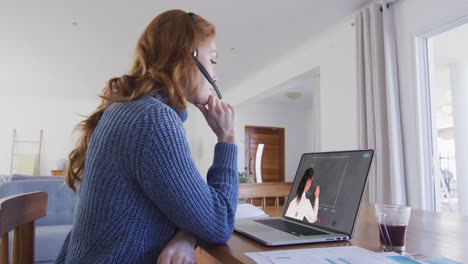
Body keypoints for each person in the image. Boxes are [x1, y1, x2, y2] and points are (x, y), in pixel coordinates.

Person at [56, 9, 238, 264]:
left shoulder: (131, 110)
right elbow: (220, 222)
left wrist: (186, 235)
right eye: (213, 60)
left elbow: (187, 206)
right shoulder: (153, 121)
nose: (216, 75)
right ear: (188, 56)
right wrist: (227, 138)